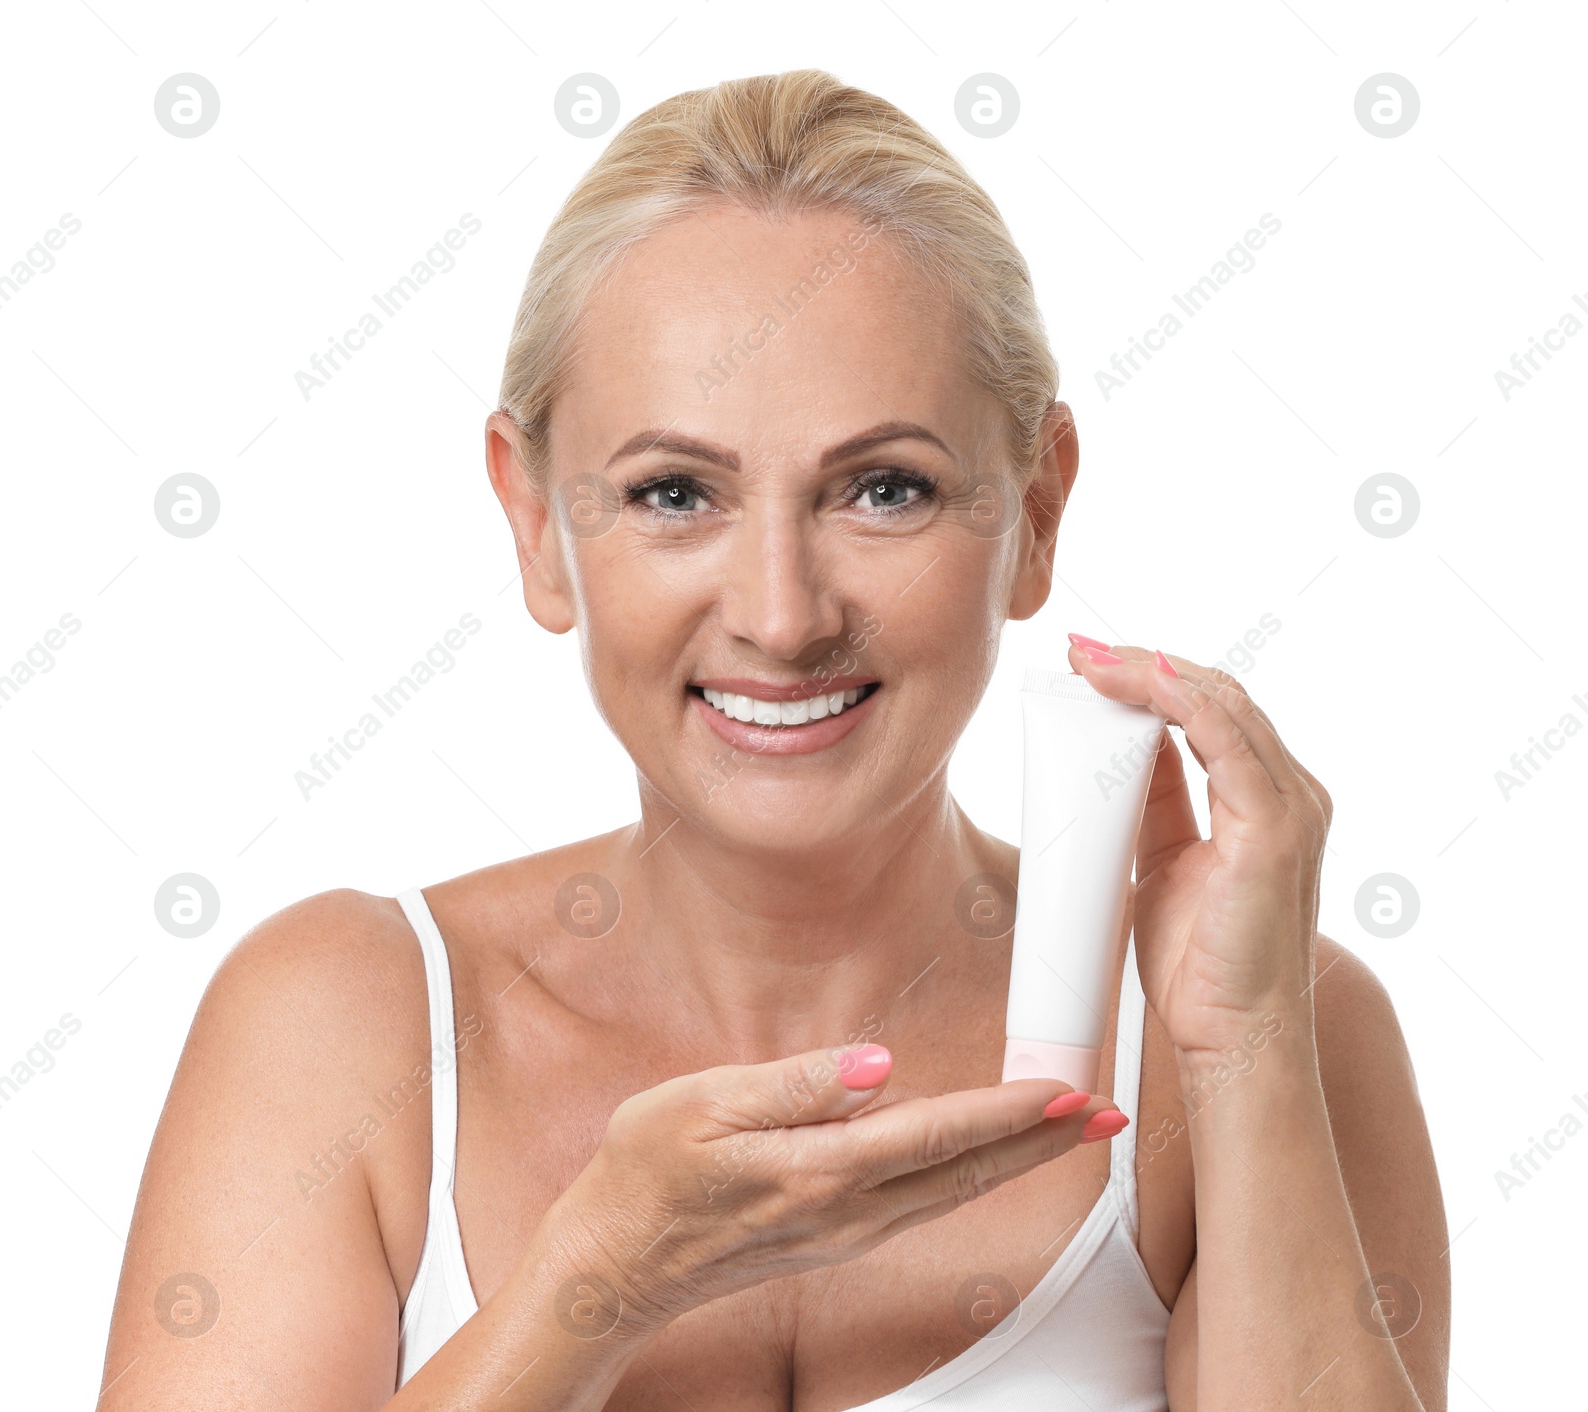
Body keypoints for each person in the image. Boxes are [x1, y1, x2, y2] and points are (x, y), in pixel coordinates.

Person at [97, 69, 1449, 1410]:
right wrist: (605, 1275)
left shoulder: (1271, 1019)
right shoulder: (344, 1027)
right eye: (674, 492)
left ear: (1035, 509)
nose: (784, 615)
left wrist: (1244, 1052)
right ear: (534, 525)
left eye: (885, 489)